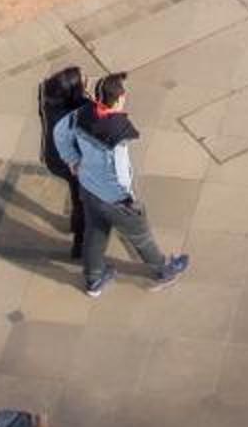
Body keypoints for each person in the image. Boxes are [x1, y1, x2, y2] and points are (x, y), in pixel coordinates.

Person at [52, 71, 188, 298]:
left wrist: (72, 160)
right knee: (140, 235)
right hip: (115, 200)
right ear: (119, 99)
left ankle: (94, 280)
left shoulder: (80, 115)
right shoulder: (117, 134)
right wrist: (128, 199)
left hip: (88, 188)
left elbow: (59, 132)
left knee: (95, 234)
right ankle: (164, 270)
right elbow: (121, 173)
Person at [34, 64, 90, 259]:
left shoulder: (46, 94)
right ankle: (79, 243)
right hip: (70, 163)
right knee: (81, 201)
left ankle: (76, 224)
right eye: (83, 81)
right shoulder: (79, 113)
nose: (86, 82)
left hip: (52, 157)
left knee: (76, 195)